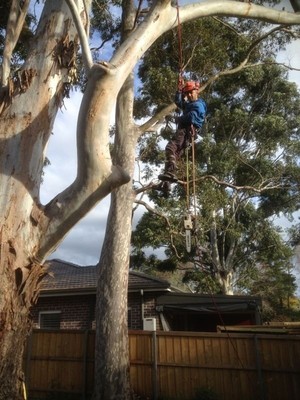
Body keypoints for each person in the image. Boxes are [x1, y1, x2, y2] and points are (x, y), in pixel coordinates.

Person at [158, 80, 207, 183]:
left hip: (186, 131)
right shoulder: (190, 104)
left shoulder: (198, 105)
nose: (189, 95)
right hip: (186, 133)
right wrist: (179, 91)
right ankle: (166, 183)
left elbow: (191, 117)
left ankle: (170, 174)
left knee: (171, 148)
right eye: (187, 93)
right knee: (175, 154)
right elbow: (179, 102)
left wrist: (177, 119)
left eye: (191, 92)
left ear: (196, 91)